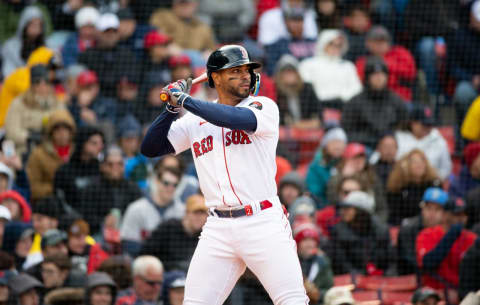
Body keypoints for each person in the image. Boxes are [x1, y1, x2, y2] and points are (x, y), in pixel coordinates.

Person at [140, 44, 310, 304]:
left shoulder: (263, 106)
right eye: (236, 71)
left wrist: (185, 100)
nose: (246, 76)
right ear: (215, 78)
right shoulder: (195, 120)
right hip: (218, 227)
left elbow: (232, 118)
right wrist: (171, 109)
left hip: (262, 221)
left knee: (293, 300)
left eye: (248, 70)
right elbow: (151, 147)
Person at [342, 56, 408, 148]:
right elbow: (348, 132)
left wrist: (389, 139)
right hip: (365, 148)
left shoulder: (396, 101)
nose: (379, 78)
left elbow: (404, 128)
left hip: (392, 148)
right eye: (375, 74)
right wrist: (374, 140)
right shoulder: (355, 103)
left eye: (382, 74)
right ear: (367, 78)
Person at [120, 166, 185, 256]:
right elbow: (128, 244)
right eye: (166, 183)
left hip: (172, 261)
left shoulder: (182, 211)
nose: (170, 188)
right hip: (142, 259)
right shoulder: (136, 208)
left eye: (175, 185)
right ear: (156, 181)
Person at [416, 197, 477, 289]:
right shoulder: (427, 235)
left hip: (462, 294)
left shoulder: (472, 238)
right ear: (444, 215)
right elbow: (429, 263)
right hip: (435, 294)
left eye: (464, 214)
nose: (460, 218)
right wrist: (452, 235)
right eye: (456, 214)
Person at [80, 145, 142, 235]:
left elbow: (139, 216)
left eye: (119, 164)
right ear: (102, 166)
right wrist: (102, 222)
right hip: (98, 235)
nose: (115, 168)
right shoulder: (91, 188)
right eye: (110, 164)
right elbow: (84, 217)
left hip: (127, 234)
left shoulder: (133, 188)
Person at [327, 191, 391, 275]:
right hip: (350, 279)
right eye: (343, 208)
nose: (343, 212)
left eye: (348, 208)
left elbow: (389, 260)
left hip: (380, 278)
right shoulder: (338, 231)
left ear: (360, 211)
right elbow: (341, 263)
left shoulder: (381, 230)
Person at [5, 64, 64, 155]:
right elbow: (11, 131)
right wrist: (30, 137)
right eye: (37, 82)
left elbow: (65, 124)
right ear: (32, 84)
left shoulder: (57, 102)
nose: (42, 85)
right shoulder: (19, 102)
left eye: (46, 82)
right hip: (25, 149)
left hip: (52, 148)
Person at [140, 194, 208, 272]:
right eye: (196, 213)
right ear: (187, 213)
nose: (200, 217)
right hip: (162, 273)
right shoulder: (169, 227)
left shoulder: (204, 235)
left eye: (203, 214)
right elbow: (146, 253)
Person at [78, 13, 139, 98]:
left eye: (114, 31)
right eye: (106, 31)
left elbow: (133, 78)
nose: (110, 35)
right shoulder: (88, 55)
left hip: (122, 101)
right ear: (98, 33)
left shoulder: (127, 54)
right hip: (95, 99)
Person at [299, 29, 362, 109]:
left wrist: (342, 97)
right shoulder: (307, 64)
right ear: (323, 43)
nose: (335, 47)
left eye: (339, 45)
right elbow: (306, 90)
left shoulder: (348, 66)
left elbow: (356, 89)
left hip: (345, 107)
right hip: (317, 107)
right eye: (331, 43)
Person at [327, 142, 388, 222]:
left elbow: (382, 208)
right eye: (354, 157)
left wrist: (377, 223)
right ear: (346, 159)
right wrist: (343, 176)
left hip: (369, 221)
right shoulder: (336, 177)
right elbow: (332, 200)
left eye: (361, 157)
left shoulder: (373, 178)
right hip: (344, 221)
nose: (358, 161)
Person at [355, 26, 417, 101]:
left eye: (383, 41)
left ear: (389, 42)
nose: (380, 45)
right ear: (367, 43)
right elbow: (362, 80)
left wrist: (385, 64)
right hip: (372, 102)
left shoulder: (400, 53)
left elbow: (411, 73)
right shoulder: (362, 61)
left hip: (400, 100)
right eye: (376, 41)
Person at [26, 109, 76, 201]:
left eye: (65, 129)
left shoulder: (78, 152)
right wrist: (55, 189)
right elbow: (32, 187)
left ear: (71, 131)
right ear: (51, 132)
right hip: (49, 201)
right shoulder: (38, 154)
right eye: (57, 129)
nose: (62, 133)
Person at [397, 187, 448, 275]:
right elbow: (408, 261)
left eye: (437, 209)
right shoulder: (408, 229)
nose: (432, 213)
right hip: (413, 276)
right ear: (422, 209)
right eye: (428, 208)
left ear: (445, 213)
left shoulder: (448, 230)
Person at [396, 104, 452, 180]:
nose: (428, 128)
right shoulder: (399, 138)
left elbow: (446, 169)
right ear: (413, 123)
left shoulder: (438, 140)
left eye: (430, 124)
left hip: (430, 184)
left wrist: (434, 180)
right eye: (424, 124)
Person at [54, 126, 104, 210]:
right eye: (94, 143)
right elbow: (60, 201)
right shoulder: (64, 171)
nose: (100, 147)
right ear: (82, 143)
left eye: (101, 143)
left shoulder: (101, 169)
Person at [387, 149, 441, 225]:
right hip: (406, 228)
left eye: (422, 161)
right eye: (414, 162)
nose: (419, 165)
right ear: (406, 166)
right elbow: (394, 215)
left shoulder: (434, 184)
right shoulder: (399, 186)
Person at [264, 7, 316, 76]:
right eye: (294, 21)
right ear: (286, 23)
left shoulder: (313, 42)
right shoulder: (278, 45)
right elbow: (272, 71)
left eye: (300, 20)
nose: (297, 24)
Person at [274, 55, 321, 128]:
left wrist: (298, 125)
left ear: (297, 73)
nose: (289, 75)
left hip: (309, 132)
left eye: (292, 71)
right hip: (286, 135)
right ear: (280, 75)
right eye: (286, 72)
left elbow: (318, 116)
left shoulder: (308, 89)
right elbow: (280, 120)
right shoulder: (276, 91)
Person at [150, 0, 216, 52]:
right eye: (181, 3)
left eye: (188, 4)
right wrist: (168, 45)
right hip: (168, 60)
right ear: (174, 4)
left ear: (195, 5)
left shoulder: (203, 27)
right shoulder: (162, 16)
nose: (185, 7)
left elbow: (212, 48)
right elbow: (154, 33)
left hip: (195, 64)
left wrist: (208, 53)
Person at [306, 127, 347, 206]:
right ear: (326, 145)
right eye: (334, 142)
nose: (338, 146)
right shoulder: (317, 165)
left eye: (341, 143)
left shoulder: (347, 162)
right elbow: (315, 193)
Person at [294, 223, 334, 305]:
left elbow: (329, 289)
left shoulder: (322, 261)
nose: (309, 244)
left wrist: (317, 294)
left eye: (312, 240)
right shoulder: (291, 262)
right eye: (305, 240)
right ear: (297, 243)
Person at [2, 6, 47, 77]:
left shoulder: (46, 46)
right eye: (33, 24)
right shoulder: (10, 46)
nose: (36, 29)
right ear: (24, 24)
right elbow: (8, 73)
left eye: (39, 25)